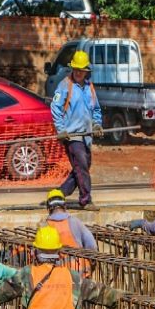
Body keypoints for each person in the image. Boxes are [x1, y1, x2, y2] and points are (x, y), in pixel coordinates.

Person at [50, 50, 103, 211]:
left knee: (83, 167)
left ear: (86, 71)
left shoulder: (89, 87)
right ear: (73, 68)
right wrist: (61, 129)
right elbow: (55, 108)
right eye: (77, 69)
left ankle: (59, 193)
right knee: (81, 163)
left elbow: (96, 110)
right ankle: (85, 200)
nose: (79, 73)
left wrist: (96, 125)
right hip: (72, 136)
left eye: (82, 70)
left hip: (86, 135)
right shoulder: (65, 86)